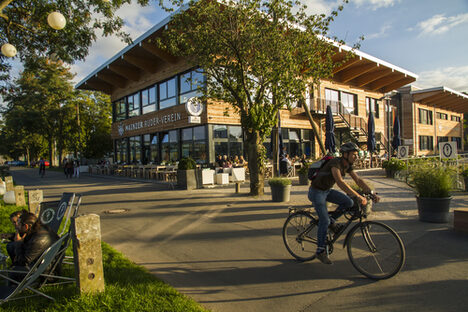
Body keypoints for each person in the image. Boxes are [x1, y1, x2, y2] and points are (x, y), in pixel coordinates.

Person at [308, 142, 380, 265]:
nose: (356, 157)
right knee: (324, 221)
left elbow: (358, 180)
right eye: (353, 154)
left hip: (327, 191)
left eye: (357, 155)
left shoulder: (348, 166)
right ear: (345, 154)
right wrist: (358, 196)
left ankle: (330, 221)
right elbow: (340, 182)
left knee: (348, 202)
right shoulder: (335, 163)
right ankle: (320, 251)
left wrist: (371, 193)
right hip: (317, 192)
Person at [8, 212, 59, 282]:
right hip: (41, 265)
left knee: (13, 271)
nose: (17, 226)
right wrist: (11, 236)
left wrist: (18, 243)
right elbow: (26, 238)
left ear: (26, 226)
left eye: (19, 224)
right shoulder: (39, 230)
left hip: (45, 274)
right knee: (10, 246)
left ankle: (12, 288)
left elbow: (24, 261)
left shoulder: (38, 240)